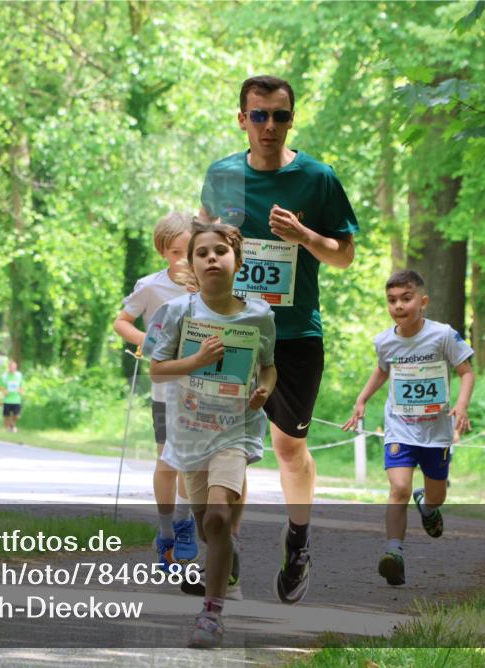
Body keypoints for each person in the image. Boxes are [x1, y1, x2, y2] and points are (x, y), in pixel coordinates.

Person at [199, 74, 358, 603]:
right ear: (242, 119)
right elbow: (204, 245)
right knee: (230, 446)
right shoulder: (223, 174)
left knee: (289, 448)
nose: (269, 125)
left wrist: (304, 235)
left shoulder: (317, 178)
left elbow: (344, 255)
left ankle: (298, 541)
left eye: (280, 116)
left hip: (293, 335)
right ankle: (226, 551)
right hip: (232, 330)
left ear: (292, 119)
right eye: (259, 115)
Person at [145, 221, 276, 648]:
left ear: (238, 261)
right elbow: (157, 369)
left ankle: (211, 614)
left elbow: (269, 366)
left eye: (220, 251)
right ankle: (224, 552)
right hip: (190, 432)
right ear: (192, 264)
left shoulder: (259, 315)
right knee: (206, 528)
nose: (211, 258)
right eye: (201, 253)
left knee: (219, 518)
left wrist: (264, 390)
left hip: (235, 431)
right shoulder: (178, 312)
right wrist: (197, 360)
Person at [343, 269, 475, 586]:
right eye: (392, 300)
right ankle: (394, 553)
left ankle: (427, 507)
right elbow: (382, 370)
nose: (398, 306)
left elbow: (466, 372)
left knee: (437, 496)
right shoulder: (384, 341)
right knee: (399, 488)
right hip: (400, 427)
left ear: (423, 301)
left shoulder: (443, 335)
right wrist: (362, 399)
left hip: (436, 431)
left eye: (406, 298)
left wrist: (461, 405)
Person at [113, 212, 198, 569]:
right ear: (162, 251)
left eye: (189, 251)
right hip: (165, 388)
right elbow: (122, 322)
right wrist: (147, 341)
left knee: (190, 461)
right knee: (166, 461)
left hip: (202, 389)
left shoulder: (212, 285)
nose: (183, 260)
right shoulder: (150, 286)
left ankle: (184, 524)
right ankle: (165, 532)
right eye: (175, 252)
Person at [0, 361, 24, 433]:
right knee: (6, 415)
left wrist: (21, 390)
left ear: (16, 367)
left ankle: (12, 425)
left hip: (16, 399)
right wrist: (4, 391)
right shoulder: (4, 376)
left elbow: (21, 385)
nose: (13, 368)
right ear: (9, 367)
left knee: (16, 415)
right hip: (7, 399)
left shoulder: (19, 375)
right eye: (11, 367)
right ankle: (7, 428)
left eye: (14, 367)